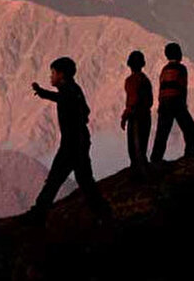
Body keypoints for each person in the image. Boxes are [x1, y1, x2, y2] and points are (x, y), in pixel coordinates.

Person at [25, 57, 111, 223]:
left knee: (55, 179)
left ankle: (38, 213)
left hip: (71, 143)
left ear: (61, 75)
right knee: (84, 180)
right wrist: (42, 92)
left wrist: (42, 92)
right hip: (80, 141)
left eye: (53, 73)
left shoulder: (68, 92)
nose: (51, 77)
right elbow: (84, 110)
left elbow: (64, 101)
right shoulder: (73, 90)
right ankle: (102, 210)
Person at [150, 42, 194, 163]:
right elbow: (182, 87)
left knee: (162, 132)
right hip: (176, 101)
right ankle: (191, 153)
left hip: (164, 103)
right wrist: (183, 104)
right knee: (189, 128)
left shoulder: (164, 69)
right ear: (178, 54)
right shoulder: (181, 68)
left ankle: (156, 158)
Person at [122, 51, 153, 177]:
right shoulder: (145, 79)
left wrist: (125, 116)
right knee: (142, 146)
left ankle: (140, 176)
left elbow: (132, 100)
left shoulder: (131, 80)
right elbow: (150, 100)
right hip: (145, 115)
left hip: (135, 117)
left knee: (135, 149)